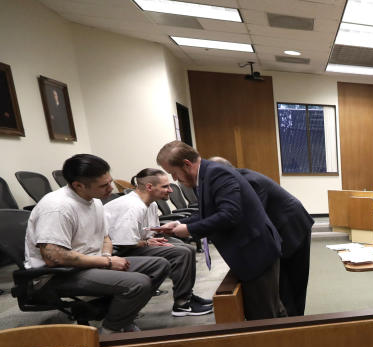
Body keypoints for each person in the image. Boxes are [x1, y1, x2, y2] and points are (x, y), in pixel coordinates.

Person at [24, 154, 170, 334]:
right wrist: (106, 263)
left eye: (109, 181)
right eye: (104, 185)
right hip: (56, 275)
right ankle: (109, 332)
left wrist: (107, 257)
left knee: (159, 265)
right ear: (78, 185)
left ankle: (116, 316)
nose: (111, 188)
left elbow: (105, 238)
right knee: (138, 283)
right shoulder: (57, 207)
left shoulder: (95, 202)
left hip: (89, 264)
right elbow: (54, 256)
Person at [155, 141, 285, 321]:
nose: (175, 179)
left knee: (263, 314)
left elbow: (230, 215)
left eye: (174, 173)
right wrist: (179, 222)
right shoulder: (207, 175)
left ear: (186, 164)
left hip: (256, 252)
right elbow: (209, 213)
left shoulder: (217, 174)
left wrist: (190, 229)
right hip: (250, 250)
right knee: (269, 307)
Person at [209, 157, 314, 317]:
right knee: (283, 284)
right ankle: (290, 322)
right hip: (280, 229)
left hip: (291, 228)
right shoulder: (239, 180)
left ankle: (295, 324)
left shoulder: (248, 182)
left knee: (292, 282)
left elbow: (253, 220)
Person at [103, 168, 212, 317]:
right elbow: (126, 242)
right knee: (182, 252)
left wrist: (160, 232)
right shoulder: (133, 206)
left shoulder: (151, 203)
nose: (170, 190)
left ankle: (186, 296)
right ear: (149, 187)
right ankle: (182, 304)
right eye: (165, 186)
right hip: (120, 249)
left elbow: (147, 231)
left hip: (136, 242)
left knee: (187, 248)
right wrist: (147, 242)